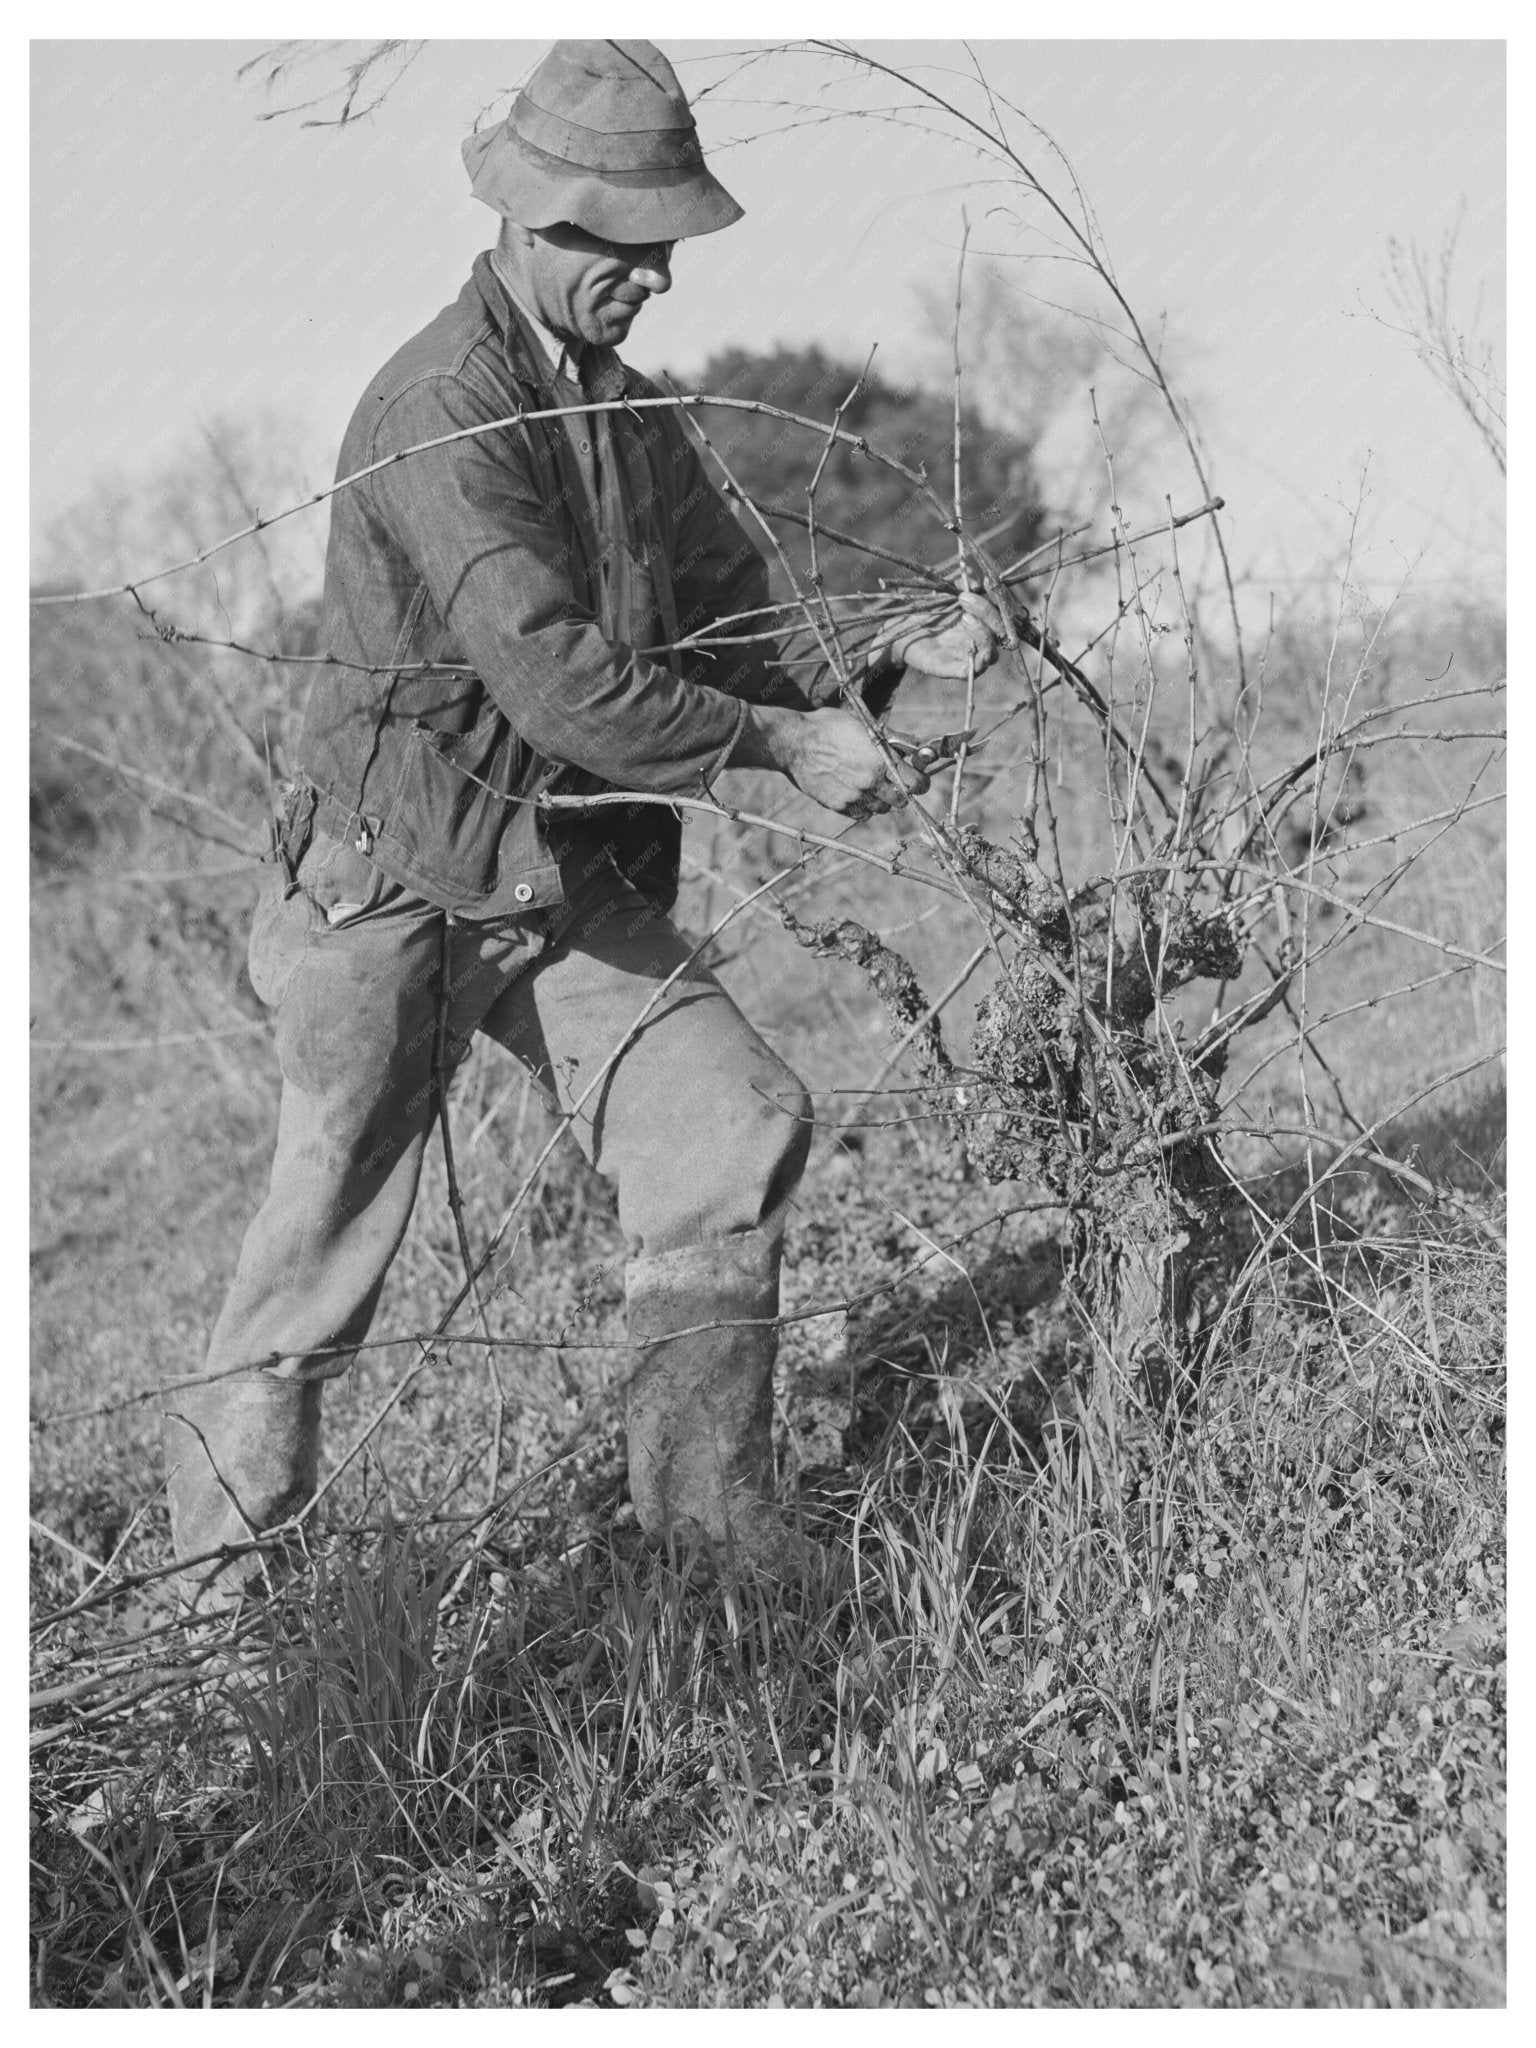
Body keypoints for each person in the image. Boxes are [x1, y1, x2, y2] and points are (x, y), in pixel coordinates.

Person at [163, 39, 1003, 1600]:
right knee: (317, 1263)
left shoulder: (629, 410)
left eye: (668, 242)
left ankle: (708, 1535)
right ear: (540, 224)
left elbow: (736, 620)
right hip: (390, 880)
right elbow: (563, 685)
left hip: (556, 876)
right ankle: (214, 1620)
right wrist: (775, 746)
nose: (662, 277)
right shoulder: (441, 408)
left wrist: (889, 660)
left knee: (729, 1125)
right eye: (634, 245)